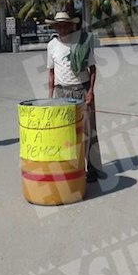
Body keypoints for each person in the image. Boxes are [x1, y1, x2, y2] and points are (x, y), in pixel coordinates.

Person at [46, 11, 103, 182]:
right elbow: (51, 72)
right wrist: (50, 96)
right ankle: (71, 169)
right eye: (59, 25)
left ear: (71, 25)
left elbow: (92, 69)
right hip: (62, 92)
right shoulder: (52, 45)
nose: (62, 28)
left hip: (82, 90)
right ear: (55, 27)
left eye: (65, 24)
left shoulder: (82, 42)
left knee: (88, 131)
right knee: (66, 133)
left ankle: (92, 169)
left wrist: (91, 91)